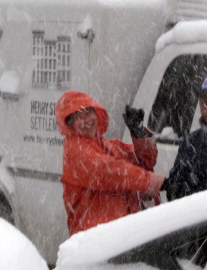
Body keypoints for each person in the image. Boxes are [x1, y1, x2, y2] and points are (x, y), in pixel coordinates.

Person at [56, 91, 165, 236]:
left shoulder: (107, 146)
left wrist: (139, 134)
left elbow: (144, 162)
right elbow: (111, 171)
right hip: (95, 242)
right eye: (78, 117)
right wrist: (153, 182)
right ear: (69, 125)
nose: (86, 120)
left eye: (88, 112)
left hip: (118, 238)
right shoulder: (75, 151)